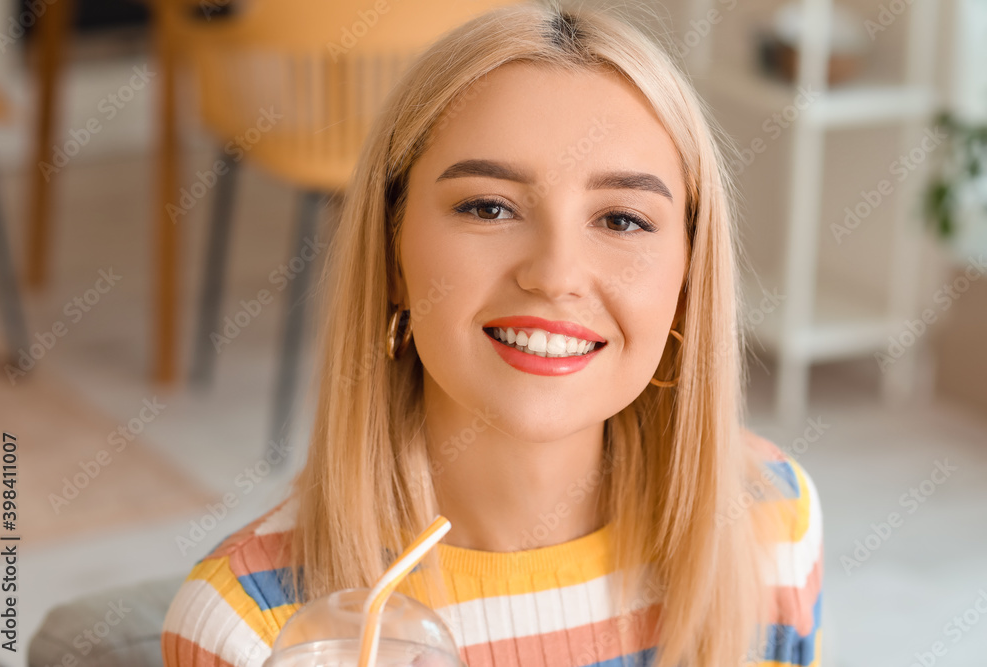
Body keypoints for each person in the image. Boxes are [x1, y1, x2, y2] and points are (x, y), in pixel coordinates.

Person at [161, 2, 823, 666]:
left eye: (622, 219)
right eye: (489, 207)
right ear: (392, 254)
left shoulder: (771, 522)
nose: (556, 275)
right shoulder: (252, 631)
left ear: (686, 281)